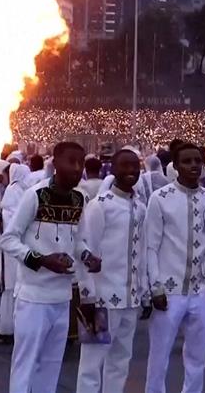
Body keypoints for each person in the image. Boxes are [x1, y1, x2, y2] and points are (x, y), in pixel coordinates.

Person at [0, 142, 100, 393]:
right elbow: (9, 239)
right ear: (55, 164)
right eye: (71, 162)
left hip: (62, 296)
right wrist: (42, 260)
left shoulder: (80, 198)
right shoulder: (34, 195)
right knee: (26, 363)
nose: (77, 169)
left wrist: (87, 256)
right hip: (33, 297)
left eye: (80, 163)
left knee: (52, 363)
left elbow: (78, 240)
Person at [144, 143, 205, 393]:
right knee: (159, 355)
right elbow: (151, 245)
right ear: (176, 166)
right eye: (187, 161)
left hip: (201, 291)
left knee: (197, 357)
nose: (193, 166)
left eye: (197, 161)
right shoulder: (160, 199)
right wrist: (155, 287)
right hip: (168, 292)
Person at [75, 149, 149, 393]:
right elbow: (84, 248)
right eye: (124, 166)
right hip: (101, 300)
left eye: (135, 167)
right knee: (91, 364)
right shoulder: (100, 206)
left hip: (130, 299)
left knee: (120, 360)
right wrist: (87, 295)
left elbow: (143, 251)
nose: (130, 172)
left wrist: (144, 292)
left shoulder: (140, 207)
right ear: (113, 170)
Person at [0, 162, 31, 342]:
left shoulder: (13, 189)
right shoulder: (29, 189)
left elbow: (10, 216)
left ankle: (6, 327)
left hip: (11, 246)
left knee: (8, 283)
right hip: (23, 244)